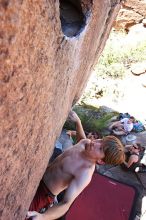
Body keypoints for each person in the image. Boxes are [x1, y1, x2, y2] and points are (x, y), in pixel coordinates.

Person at [27, 111, 125, 220]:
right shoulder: (85, 143)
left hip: (44, 193)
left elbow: (66, 203)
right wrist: (78, 122)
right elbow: (81, 138)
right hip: (40, 173)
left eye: (101, 148)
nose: (95, 143)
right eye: (101, 140)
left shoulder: (84, 173)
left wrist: (43, 217)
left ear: (101, 161)